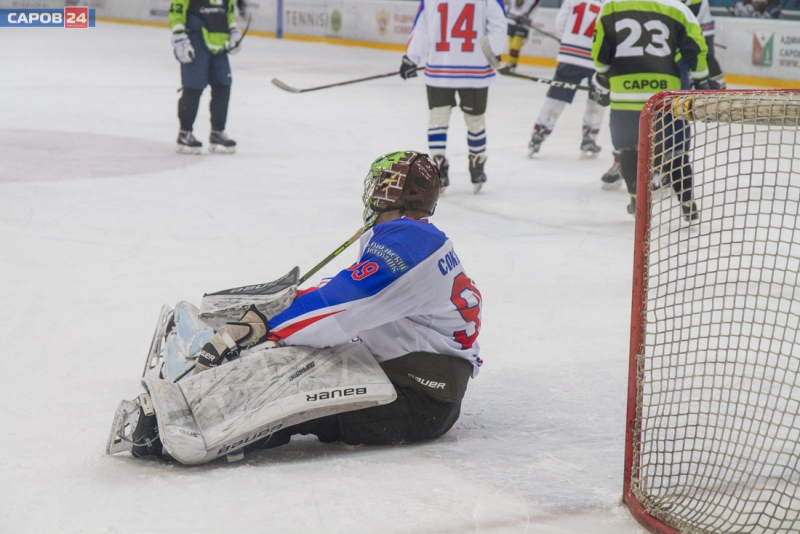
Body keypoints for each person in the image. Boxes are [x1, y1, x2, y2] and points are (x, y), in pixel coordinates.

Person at [125, 151, 483, 458]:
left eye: (381, 183)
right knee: (301, 351)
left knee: (293, 388)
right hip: (415, 377)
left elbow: (340, 307)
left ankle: (178, 436)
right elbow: (350, 292)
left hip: (419, 399)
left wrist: (269, 329)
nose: (372, 193)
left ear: (397, 193)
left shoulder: (408, 242)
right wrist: (280, 313)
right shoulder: (416, 237)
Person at [591, 0, 709, 219]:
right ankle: (687, 202)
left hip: (624, 95)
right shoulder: (678, 8)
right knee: (675, 151)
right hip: (665, 99)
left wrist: (603, 76)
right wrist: (702, 81)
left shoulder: (611, 6)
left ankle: (635, 198)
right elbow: (695, 48)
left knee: (628, 149)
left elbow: (599, 52)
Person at [399, 0, 507, 193]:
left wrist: (411, 57)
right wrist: (493, 52)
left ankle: (438, 167)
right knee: (475, 120)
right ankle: (477, 164)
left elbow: (421, 28)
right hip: (476, 69)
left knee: (438, 119)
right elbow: (498, 23)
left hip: (441, 66)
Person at [527, 0, 605, 158]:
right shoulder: (611, 3)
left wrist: (570, 39)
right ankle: (589, 137)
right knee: (597, 99)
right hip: (597, 59)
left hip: (570, 56)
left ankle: (539, 133)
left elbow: (560, 23)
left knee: (556, 97)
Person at [169, 0, 242, 154]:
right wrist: (179, 37)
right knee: (193, 87)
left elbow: (228, 12)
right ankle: (185, 133)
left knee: (223, 85)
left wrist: (233, 31)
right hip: (195, 40)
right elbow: (177, 11)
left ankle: (217, 132)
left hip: (219, 43)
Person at [504, 0, 541, 73]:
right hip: (512, 20)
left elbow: (535, 3)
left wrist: (527, 16)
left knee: (516, 44)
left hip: (524, 23)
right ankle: (513, 64)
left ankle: (510, 64)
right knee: (511, 43)